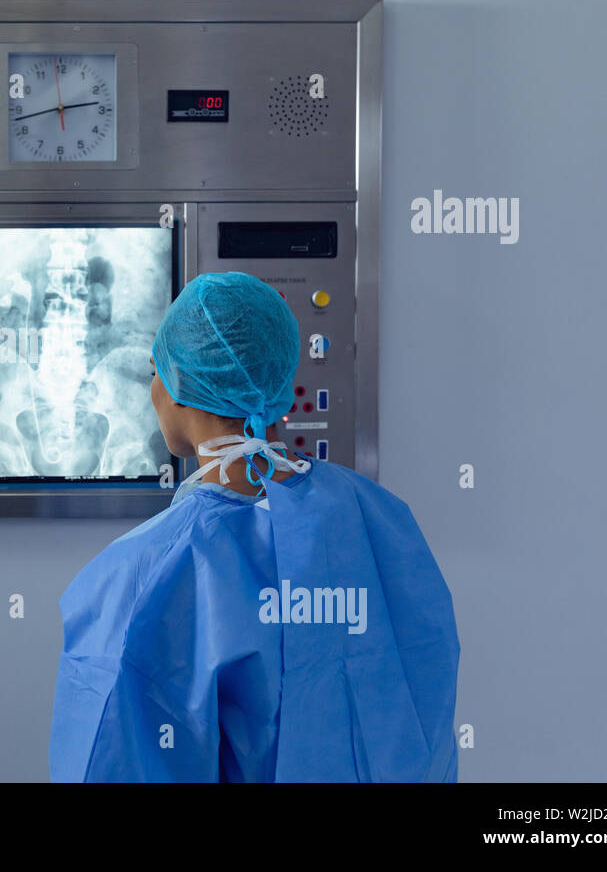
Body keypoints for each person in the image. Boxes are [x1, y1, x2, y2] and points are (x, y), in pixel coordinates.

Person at [48, 272, 460, 782]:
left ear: (179, 388)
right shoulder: (381, 518)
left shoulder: (141, 574)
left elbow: (113, 756)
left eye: (157, 370)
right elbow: (425, 684)